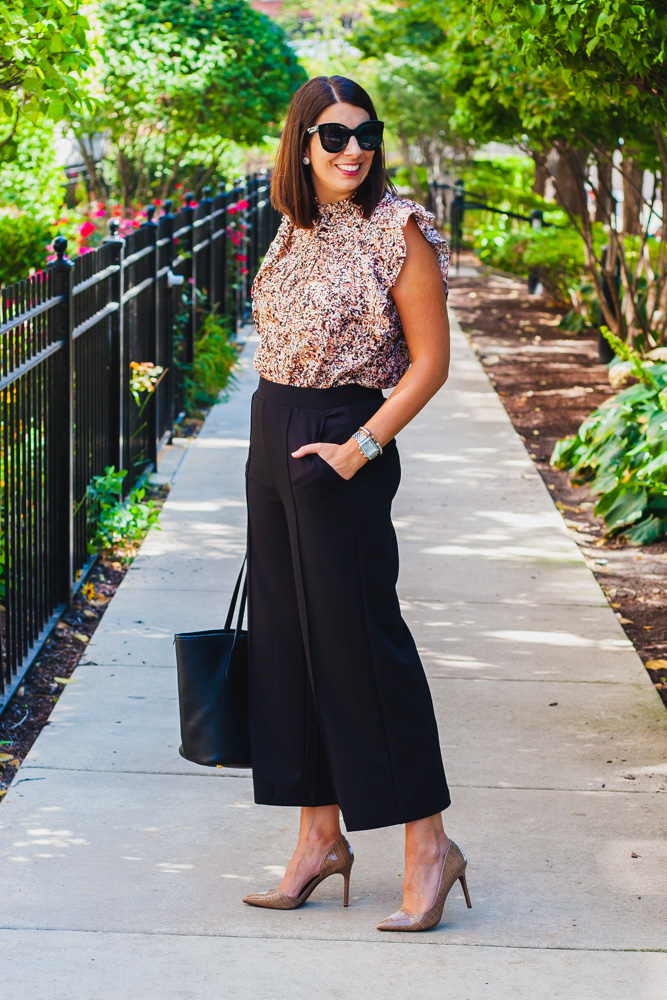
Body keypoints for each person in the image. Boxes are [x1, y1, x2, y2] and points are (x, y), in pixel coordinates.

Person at [242, 75, 471, 932]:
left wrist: (360, 447)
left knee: (363, 649)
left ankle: (428, 846)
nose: (352, 151)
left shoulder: (395, 226)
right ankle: (317, 841)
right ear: (302, 144)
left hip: (346, 437)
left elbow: (428, 363)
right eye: (333, 137)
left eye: (365, 134)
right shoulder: (293, 228)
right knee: (291, 647)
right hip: (274, 433)